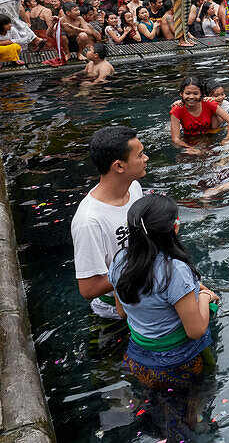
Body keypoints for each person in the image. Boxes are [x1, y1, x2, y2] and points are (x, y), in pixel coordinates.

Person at [108, 192, 218, 441]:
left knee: (161, 402)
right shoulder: (174, 270)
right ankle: (193, 426)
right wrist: (206, 297)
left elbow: (121, 311)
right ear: (175, 227)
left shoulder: (119, 262)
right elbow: (196, 330)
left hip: (139, 360)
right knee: (188, 414)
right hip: (179, 365)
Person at [72, 126, 148, 319]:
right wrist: (142, 265)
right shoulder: (89, 221)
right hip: (113, 311)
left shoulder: (135, 188)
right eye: (140, 155)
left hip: (145, 295)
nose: (146, 158)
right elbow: (88, 288)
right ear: (119, 166)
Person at [169, 77, 229, 154]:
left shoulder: (209, 103)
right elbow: (176, 139)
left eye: (195, 93)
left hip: (211, 138)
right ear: (181, 93)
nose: (191, 97)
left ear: (200, 94)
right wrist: (190, 148)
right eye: (187, 93)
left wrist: (228, 139)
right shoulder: (177, 109)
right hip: (189, 141)